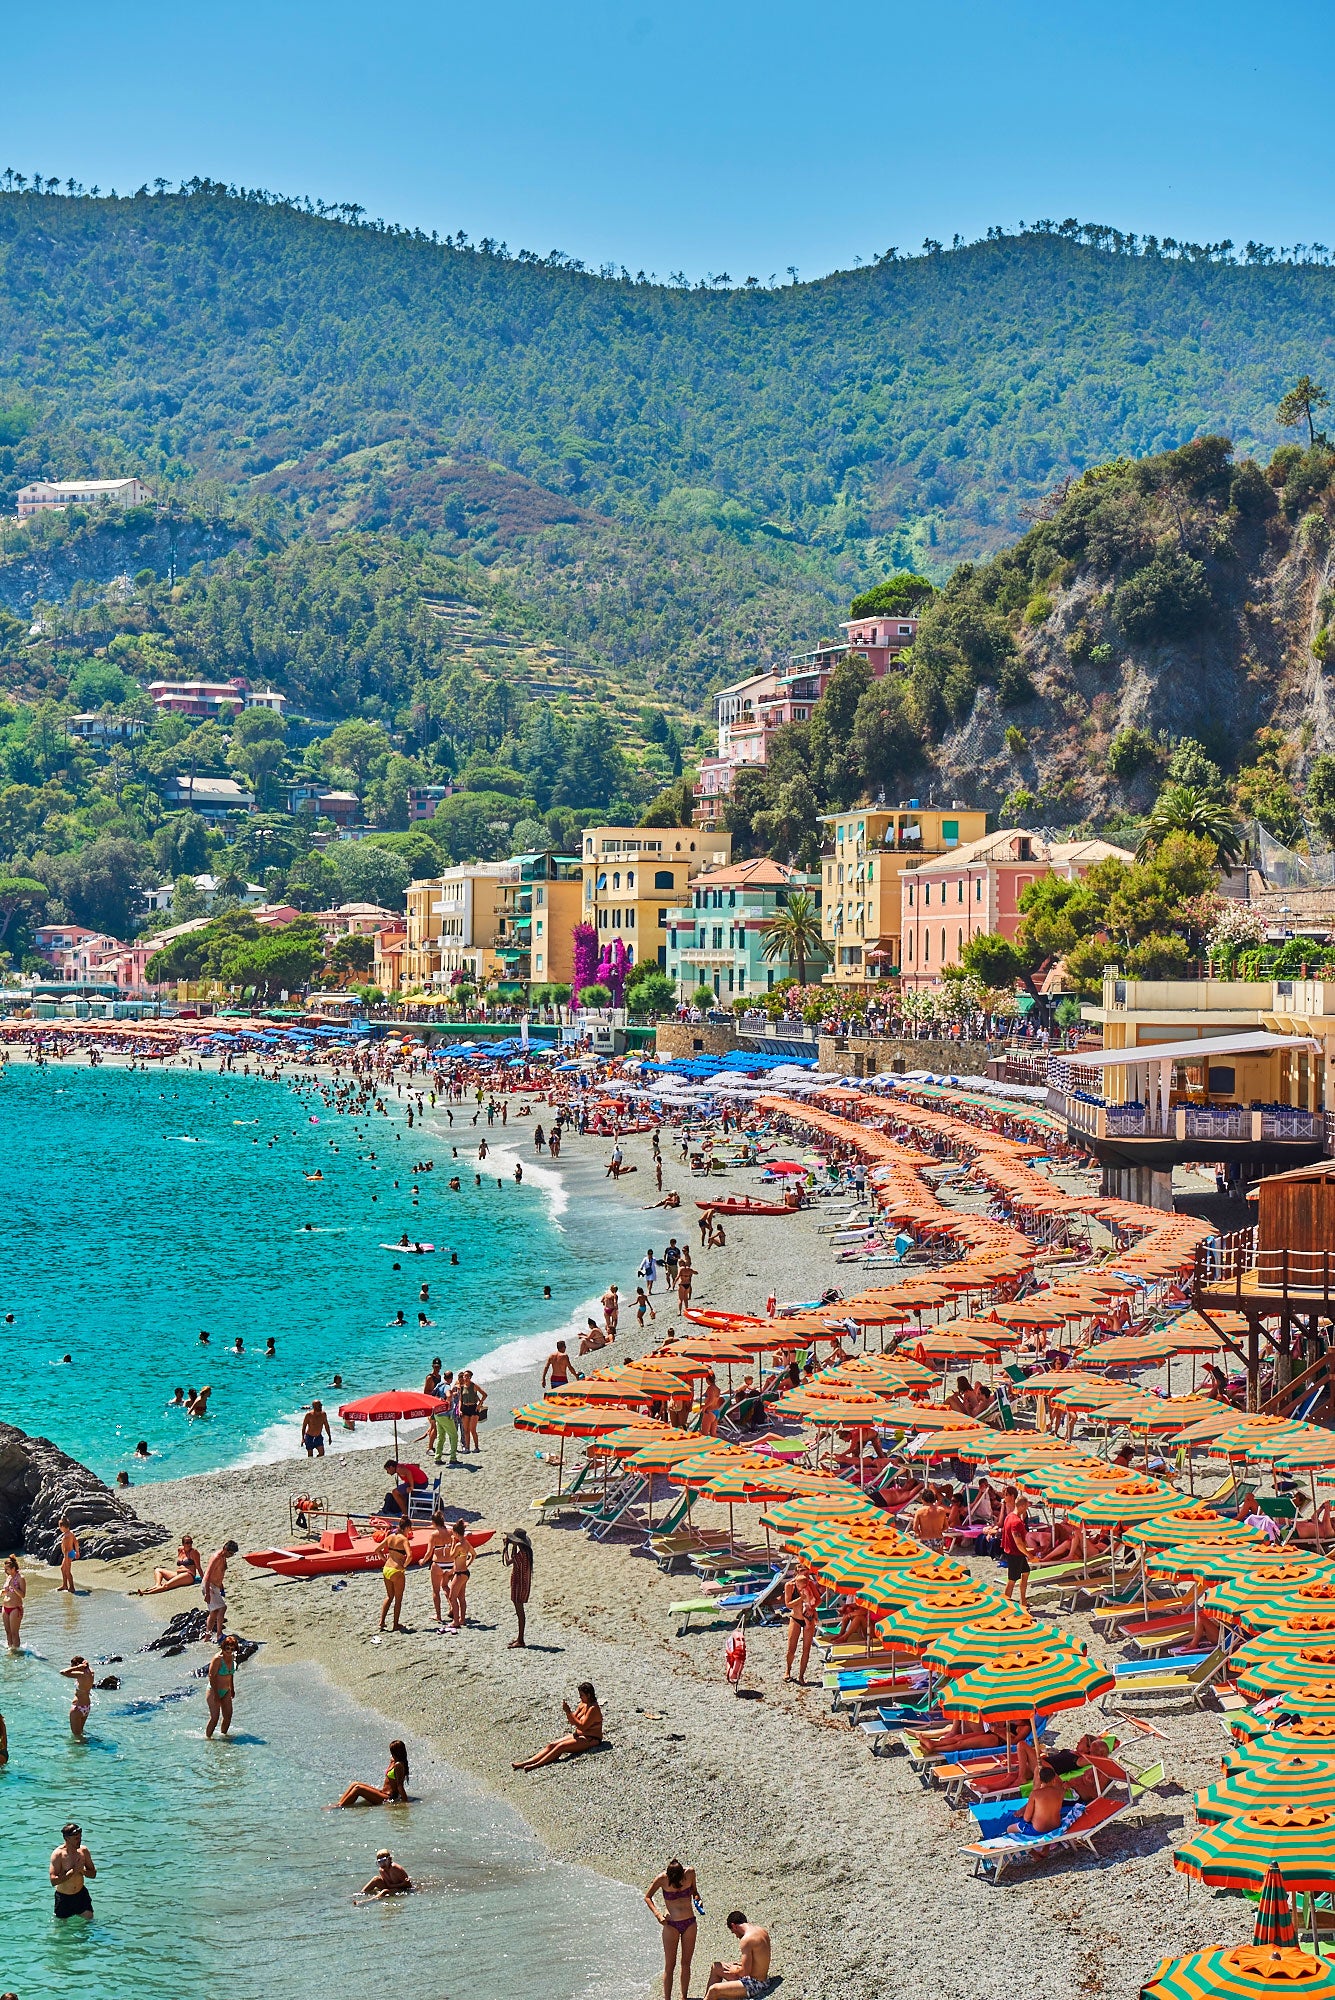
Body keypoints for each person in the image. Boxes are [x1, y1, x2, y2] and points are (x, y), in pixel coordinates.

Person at [513, 1682, 603, 1771]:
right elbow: (572, 1721)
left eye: (582, 1695)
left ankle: (536, 1765)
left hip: (590, 1738)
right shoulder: (583, 1704)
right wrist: (567, 1712)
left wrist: (569, 1712)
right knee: (552, 1745)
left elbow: (582, 1726)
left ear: (588, 1695)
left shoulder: (593, 1708)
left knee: (561, 1747)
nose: (580, 1697)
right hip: (578, 1734)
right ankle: (526, 1762)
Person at [645, 1858, 699, 2000]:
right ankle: (667, 1998)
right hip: (671, 1925)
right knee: (670, 1965)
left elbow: (695, 1891)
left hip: (689, 1923)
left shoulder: (690, 1873)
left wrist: (698, 1899)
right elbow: (647, 1897)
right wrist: (658, 1915)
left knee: (686, 1963)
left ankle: (684, 1997)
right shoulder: (661, 1879)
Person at [704, 1912, 773, 2000]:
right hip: (761, 1978)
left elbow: (744, 1973)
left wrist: (735, 1969)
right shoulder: (761, 1930)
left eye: (733, 1932)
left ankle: (709, 1996)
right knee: (716, 1967)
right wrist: (739, 1965)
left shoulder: (746, 1939)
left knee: (713, 1989)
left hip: (756, 1984)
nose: (736, 1936)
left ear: (734, 1926)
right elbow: (759, 1960)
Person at [331, 1739, 411, 1808]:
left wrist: (405, 1803)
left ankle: (339, 1807)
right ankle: (339, 1804)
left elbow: (400, 1786)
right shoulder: (393, 1761)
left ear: (396, 1753)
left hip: (388, 1798)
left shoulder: (399, 1765)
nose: (391, 1754)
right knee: (354, 1784)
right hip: (383, 1792)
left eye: (392, 1752)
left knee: (358, 1788)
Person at [783, 1564, 822, 1685]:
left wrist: (812, 1607)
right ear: (796, 1572)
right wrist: (801, 1598)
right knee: (791, 1648)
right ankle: (788, 1670)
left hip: (808, 1618)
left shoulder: (810, 1584)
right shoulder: (790, 1585)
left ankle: (801, 1676)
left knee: (806, 1649)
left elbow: (819, 1599)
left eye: (804, 1571)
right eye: (800, 1571)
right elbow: (788, 1604)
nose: (802, 1573)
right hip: (795, 1617)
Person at [50, 1822, 96, 1920]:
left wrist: (82, 1871)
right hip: (64, 1898)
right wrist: (71, 1873)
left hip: (80, 1895)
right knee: (61, 1929)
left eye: (80, 1838)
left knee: (89, 1919)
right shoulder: (58, 1855)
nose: (79, 1841)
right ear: (66, 1838)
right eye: (76, 1839)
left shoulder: (83, 1851)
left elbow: (93, 1874)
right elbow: (53, 1881)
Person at [135, 1535, 203, 1596]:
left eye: (191, 1542)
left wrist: (204, 1580)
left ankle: (146, 1593)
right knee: (158, 1570)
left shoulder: (194, 1552)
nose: (189, 1544)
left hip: (188, 1575)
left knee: (166, 1585)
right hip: (177, 1574)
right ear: (183, 1544)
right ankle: (157, 1585)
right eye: (187, 1543)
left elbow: (198, 1567)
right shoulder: (180, 1550)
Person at [999, 1487, 1032, 1613]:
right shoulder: (1016, 1522)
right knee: (1011, 1581)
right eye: (1026, 1507)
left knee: (1025, 1573)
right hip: (1015, 1553)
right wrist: (1029, 1554)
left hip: (1013, 1552)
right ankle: (1005, 1606)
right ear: (1023, 1506)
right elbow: (1018, 1543)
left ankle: (1023, 1601)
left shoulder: (1010, 1517)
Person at [1016, 1759, 1065, 1834]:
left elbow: (1026, 1818)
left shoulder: (1035, 1794)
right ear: (1054, 1780)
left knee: (1010, 1829)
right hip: (1056, 1827)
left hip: (1039, 1829)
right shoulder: (1060, 1792)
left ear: (1040, 1780)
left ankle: (1035, 1843)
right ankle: (1048, 1845)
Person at [503, 1527, 534, 1647]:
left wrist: (506, 1548)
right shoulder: (526, 1553)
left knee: (520, 1612)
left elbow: (508, 1561)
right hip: (522, 1583)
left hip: (518, 1584)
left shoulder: (521, 1555)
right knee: (520, 1612)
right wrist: (514, 1546)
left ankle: (520, 1640)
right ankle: (519, 1638)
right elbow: (513, 1559)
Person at [203, 1540, 239, 1639]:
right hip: (209, 1585)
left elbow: (219, 1573)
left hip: (216, 1586)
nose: (231, 1556)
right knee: (222, 1608)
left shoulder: (223, 1557)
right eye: (231, 1553)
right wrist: (207, 1593)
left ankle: (207, 1636)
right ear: (225, 1549)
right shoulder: (216, 1557)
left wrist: (221, 1587)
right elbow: (208, 1574)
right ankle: (219, 1634)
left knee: (214, 1612)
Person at [379, 1526, 411, 1632]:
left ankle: (382, 1622)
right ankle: (395, 1624)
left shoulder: (390, 1537)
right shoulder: (404, 1539)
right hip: (397, 1570)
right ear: (407, 1528)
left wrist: (384, 1560)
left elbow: (377, 1550)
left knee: (389, 1596)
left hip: (387, 1568)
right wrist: (404, 1566)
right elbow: (410, 1555)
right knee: (398, 1599)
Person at [206, 1634, 238, 1739]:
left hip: (226, 1690)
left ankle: (223, 1737)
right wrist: (216, 1694)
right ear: (223, 1647)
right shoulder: (217, 1659)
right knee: (214, 1718)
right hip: (213, 1690)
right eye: (227, 1648)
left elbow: (231, 1674)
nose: (229, 1651)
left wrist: (232, 1689)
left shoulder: (233, 1657)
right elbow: (211, 1677)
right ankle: (208, 1739)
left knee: (228, 1716)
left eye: (232, 1649)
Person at [446, 1517, 473, 1629]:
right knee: (461, 1598)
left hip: (459, 1573)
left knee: (452, 1597)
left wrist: (452, 1543)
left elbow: (451, 1556)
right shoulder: (466, 1543)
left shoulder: (458, 1545)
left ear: (456, 1533)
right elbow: (474, 1554)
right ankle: (462, 1619)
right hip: (465, 1572)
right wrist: (467, 1563)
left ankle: (456, 1621)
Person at [61, 1656, 95, 1740]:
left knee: (76, 1736)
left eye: (72, 1665)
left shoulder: (81, 1674)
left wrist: (78, 1667)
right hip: (86, 1707)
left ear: (77, 1665)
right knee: (80, 1733)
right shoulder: (91, 1672)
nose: (72, 1667)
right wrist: (84, 1665)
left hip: (78, 1709)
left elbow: (62, 1672)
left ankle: (80, 1751)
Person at [432, 1372, 459, 1466]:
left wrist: (452, 1394)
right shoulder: (447, 1386)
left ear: (444, 1377)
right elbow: (448, 1395)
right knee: (454, 1436)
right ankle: (453, 1458)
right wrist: (448, 1403)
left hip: (437, 1414)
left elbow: (433, 1395)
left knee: (441, 1436)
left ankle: (437, 1458)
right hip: (445, 1414)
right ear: (451, 1378)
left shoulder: (439, 1385)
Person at [457, 1371, 486, 1451]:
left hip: (473, 1408)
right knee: (466, 1430)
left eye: (467, 1376)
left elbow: (484, 1395)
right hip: (465, 1408)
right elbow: (460, 1400)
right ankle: (467, 1448)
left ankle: (476, 1447)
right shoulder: (462, 1387)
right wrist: (459, 1410)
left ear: (470, 1377)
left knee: (472, 1430)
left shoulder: (474, 1386)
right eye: (464, 1376)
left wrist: (479, 1405)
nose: (465, 1378)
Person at [2, 1555, 25, 1649]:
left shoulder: (21, 1578)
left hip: (15, 1608)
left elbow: (23, 1595)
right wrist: (2, 1592)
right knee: (8, 1632)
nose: (5, 1571)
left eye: (7, 1569)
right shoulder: (8, 1578)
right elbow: (6, 1591)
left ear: (13, 1568)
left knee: (14, 1632)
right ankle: (10, 1650)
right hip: (5, 1607)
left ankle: (16, 1652)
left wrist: (14, 1587)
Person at [57, 1518, 79, 1594]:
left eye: (60, 1527)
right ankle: (65, 1585)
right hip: (72, 1552)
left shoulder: (66, 1536)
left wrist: (66, 1559)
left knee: (67, 1570)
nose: (60, 1528)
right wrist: (77, 1552)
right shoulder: (71, 1533)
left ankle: (72, 1587)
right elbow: (76, 1543)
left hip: (68, 1554)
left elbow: (66, 1549)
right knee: (62, 1568)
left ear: (63, 1527)